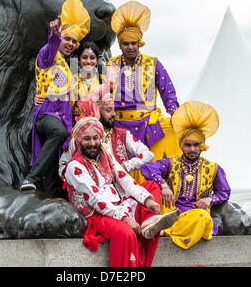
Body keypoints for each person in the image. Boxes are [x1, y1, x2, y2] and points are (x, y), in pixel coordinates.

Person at [64, 113, 180, 267]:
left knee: (151, 188)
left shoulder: (107, 156)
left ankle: (148, 223)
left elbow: (126, 180)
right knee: (126, 233)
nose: (92, 143)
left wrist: (148, 200)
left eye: (95, 138)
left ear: (100, 139)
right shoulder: (74, 166)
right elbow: (95, 199)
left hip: (118, 205)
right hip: (96, 215)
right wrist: (125, 219)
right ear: (78, 141)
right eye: (87, 139)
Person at [20, 0, 90, 197]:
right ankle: (31, 178)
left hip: (62, 122)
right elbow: (51, 46)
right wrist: (55, 34)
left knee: (53, 180)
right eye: (67, 39)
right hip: (46, 117)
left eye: (74, 41)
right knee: (58, 132)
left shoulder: (67, 67)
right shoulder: (46, 55)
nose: (70, 43)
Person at [108, 1, 182, 184]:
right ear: (120, 45)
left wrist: (176, 115)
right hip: (120, 126)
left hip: (148, 124)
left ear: (140, 43)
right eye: (126, 44)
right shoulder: (112, 65)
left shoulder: (153, 63)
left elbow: (168, 93)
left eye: (134, 43)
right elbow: (102, 95)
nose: (130, 47)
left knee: (180, 134)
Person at [141, 101, 231, 249]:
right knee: (151, 188)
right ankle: (164, 226)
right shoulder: (172, 163)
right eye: (188, 145)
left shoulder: (213, 168)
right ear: (181, 145)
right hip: (171, 213)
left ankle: (163, 231)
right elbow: (147, 168)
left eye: (196, 145)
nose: (192, 149)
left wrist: (210, 199)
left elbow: (225, 192)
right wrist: (163, 185)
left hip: (195, 215)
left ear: (202, 146)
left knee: (203, 218)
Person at [59, 82, 154, 181]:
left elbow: (148, 154)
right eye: (109, 110)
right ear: (97, 111)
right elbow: (63, 165)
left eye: (114, 110)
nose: (114, 114)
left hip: (122, 190)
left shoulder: (122, 135)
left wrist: (126, 166)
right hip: (92, 193)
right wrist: (80, 183)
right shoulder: (80, 138)